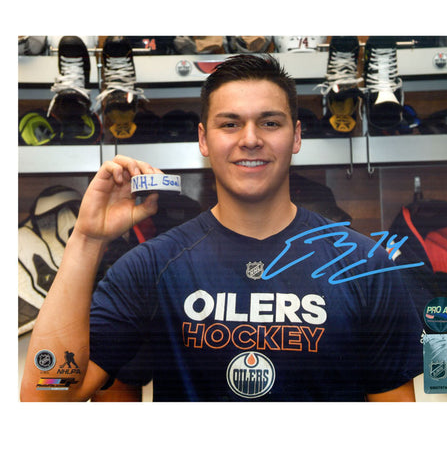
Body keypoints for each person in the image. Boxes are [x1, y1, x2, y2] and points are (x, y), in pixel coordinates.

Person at [21, 54, 423, 402]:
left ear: (296, 136)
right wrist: (86, 240)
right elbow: (48, 391)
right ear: (204, 139)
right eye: (229, 124)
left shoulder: (363, 263)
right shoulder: (151, 266)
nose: (250, 140)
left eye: (270, 123)